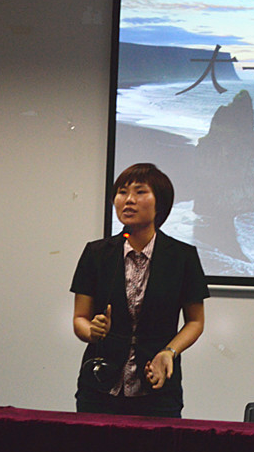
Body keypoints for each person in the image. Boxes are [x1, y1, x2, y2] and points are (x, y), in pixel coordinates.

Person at [70, 163, 209, 417]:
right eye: (122, 192)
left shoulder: (182, 256)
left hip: (158, 387)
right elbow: (80, 318)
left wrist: (169, 352)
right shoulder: (96, 253)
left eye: (140, 192)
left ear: (160, 204)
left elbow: (195, 322)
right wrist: (91, 331)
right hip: (99, 385)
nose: (129, 200)